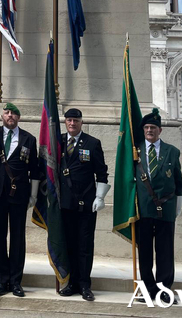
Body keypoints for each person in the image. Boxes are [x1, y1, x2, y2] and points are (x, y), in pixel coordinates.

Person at [0, 103, 40, 298]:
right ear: (2, 116)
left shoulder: (29, 139)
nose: (10, 115)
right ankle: (2, 280)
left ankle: (16, 281)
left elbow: (35, 170)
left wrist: (33, 195)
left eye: (14, 113)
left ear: (19, 117)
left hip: (19, 195)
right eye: (7, 112)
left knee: (17, 238)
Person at [58, 108, 110, 302]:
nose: (72, 123)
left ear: (81, 122)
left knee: (85, 245)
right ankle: (71, 283)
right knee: (69, 244)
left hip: (86, 203)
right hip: (65, 204)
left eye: (76, 121)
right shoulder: (58, 141)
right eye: (69, 120)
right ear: (65, 122)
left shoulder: (92, 143)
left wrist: (100, 197)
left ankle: (85, 284)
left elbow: (102, 173)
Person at [135, 109, 182, 305]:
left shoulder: (172, 151)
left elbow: (179, 182)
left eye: (153, 128)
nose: (149, 131)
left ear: (160, 130)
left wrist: (178, 207)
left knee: (165, 250)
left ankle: (164, 289)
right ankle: (148, 288)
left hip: (165, 208)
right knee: (145, 251)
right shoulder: (135, 151)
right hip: (144, 209)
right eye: (146, 127)